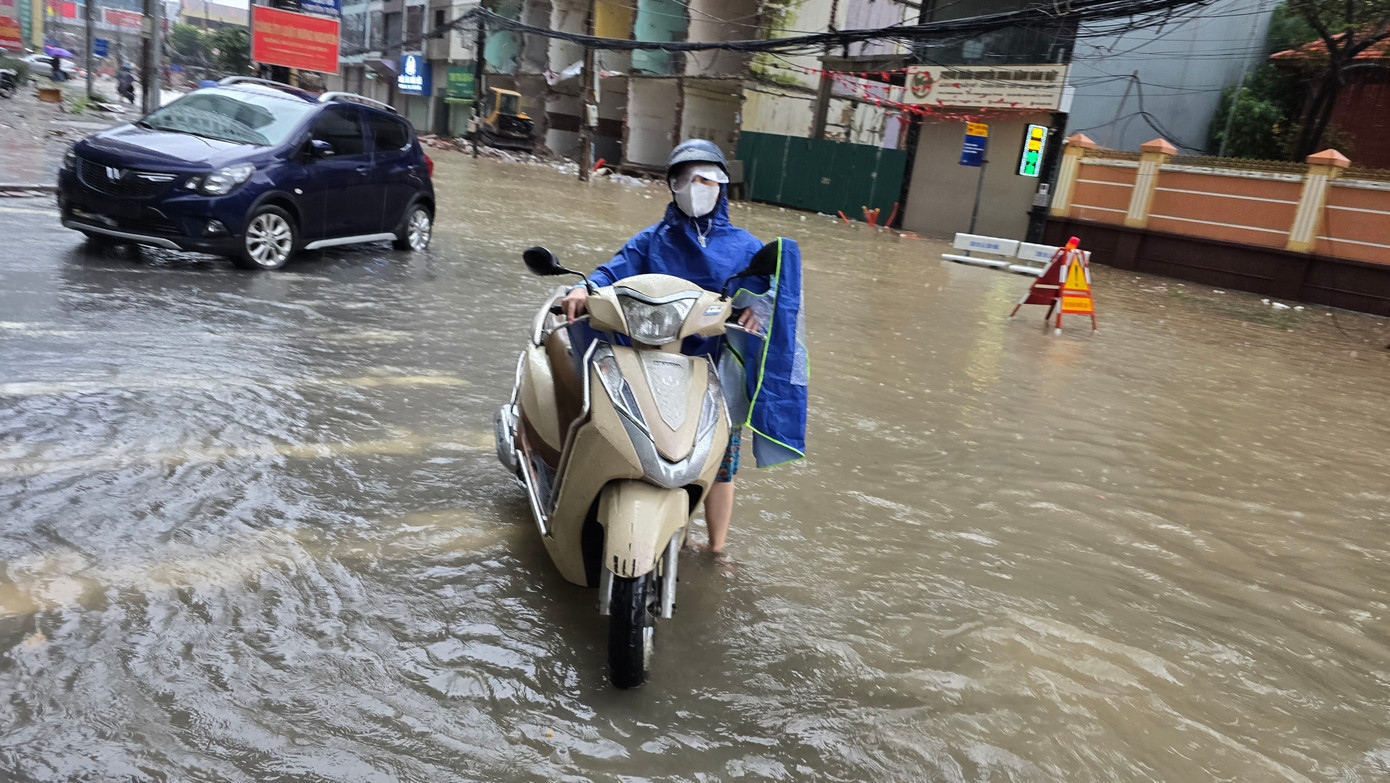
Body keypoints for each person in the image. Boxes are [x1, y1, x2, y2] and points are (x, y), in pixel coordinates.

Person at [560, 139, 765, 555]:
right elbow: (612, 270)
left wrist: (759, 309)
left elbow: (768, 293)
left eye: (705, 177)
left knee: (721, 467)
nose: (696, 186)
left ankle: (718, 549)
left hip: (713, 370)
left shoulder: (747, 247)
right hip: (650, 362)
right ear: (672, 185)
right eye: (685, 178)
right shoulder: (652, 240)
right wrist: (585, 289)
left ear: (722, 185)